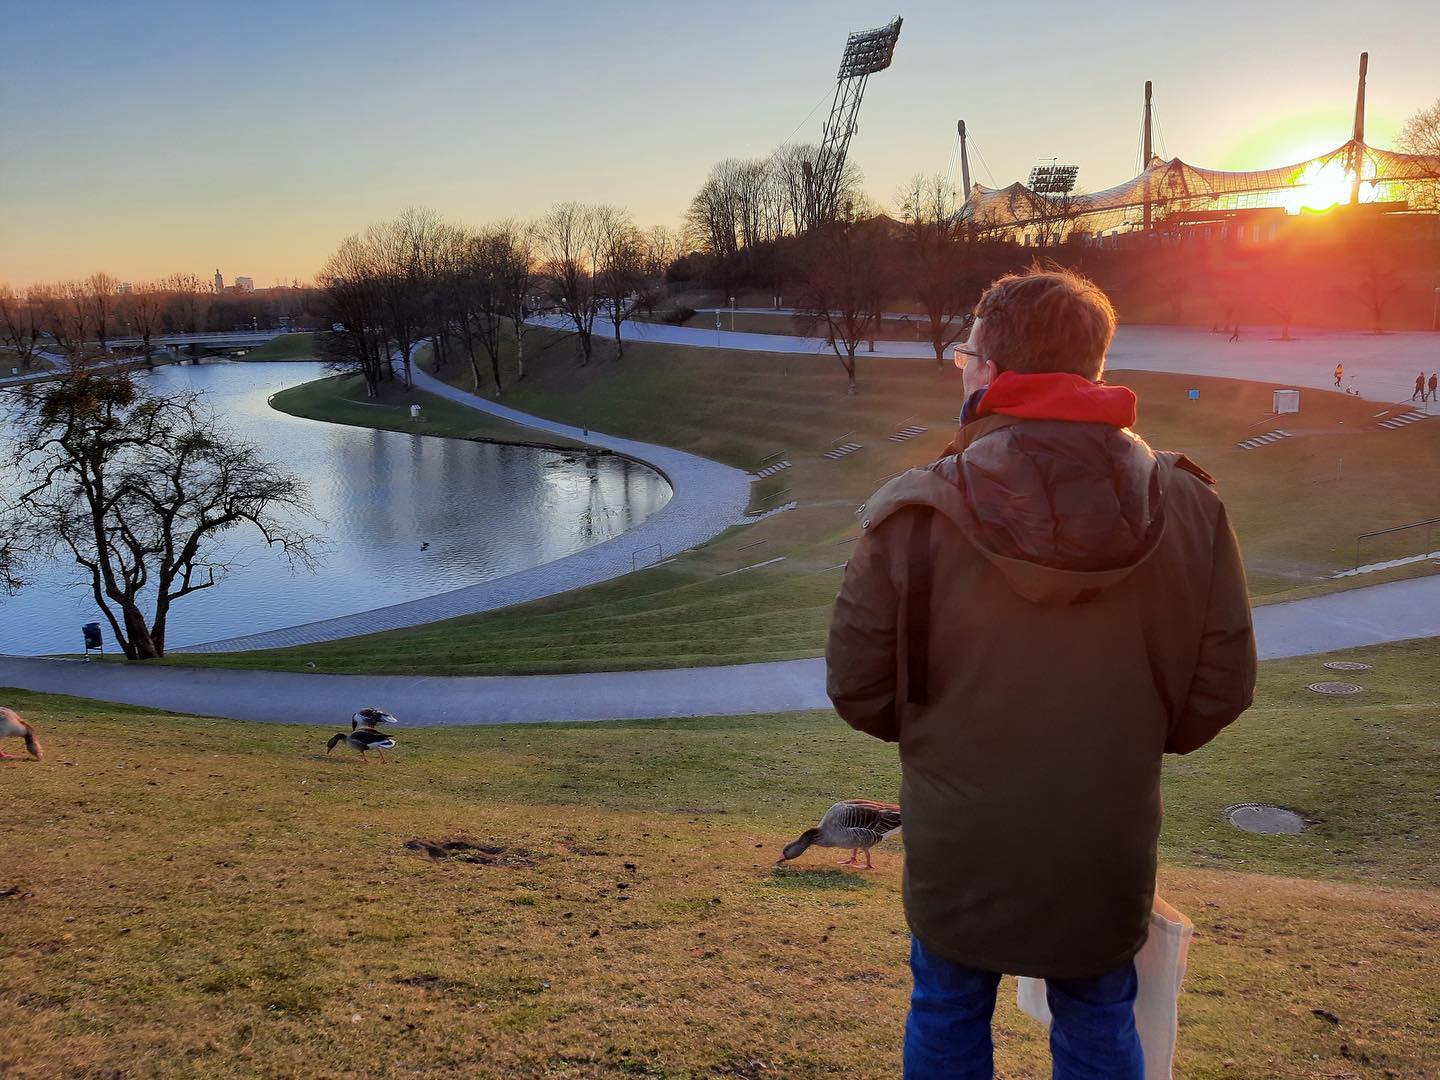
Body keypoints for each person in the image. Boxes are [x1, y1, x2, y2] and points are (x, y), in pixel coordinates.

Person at [827, 267, 1256, 1079]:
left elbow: (858, 688)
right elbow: (1220, 689)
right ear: (1093, 367)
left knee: (948, 1008)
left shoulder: (914, 511)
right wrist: (1126, 736)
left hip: (962, 837)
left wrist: (945, 738)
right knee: (1099, 1016)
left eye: (966, 358)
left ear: (991, 370)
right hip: (1105, 834)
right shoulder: (1192, 506)